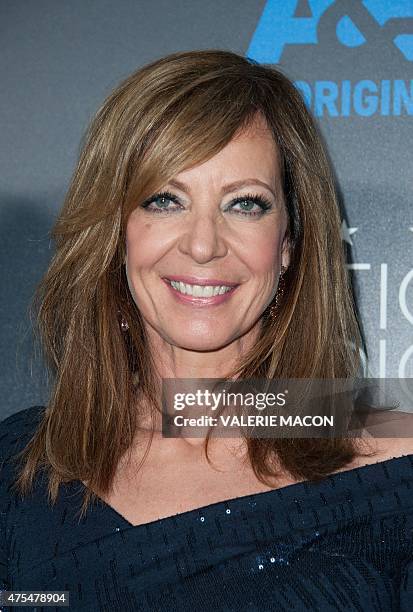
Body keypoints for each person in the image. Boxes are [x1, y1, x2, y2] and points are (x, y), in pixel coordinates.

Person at [1, 49, 412, 611]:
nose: (202, 244)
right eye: (165, 200)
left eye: (245, 204)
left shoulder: (391, 450)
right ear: (116, 234)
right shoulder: (21, 469)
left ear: (289, 243)